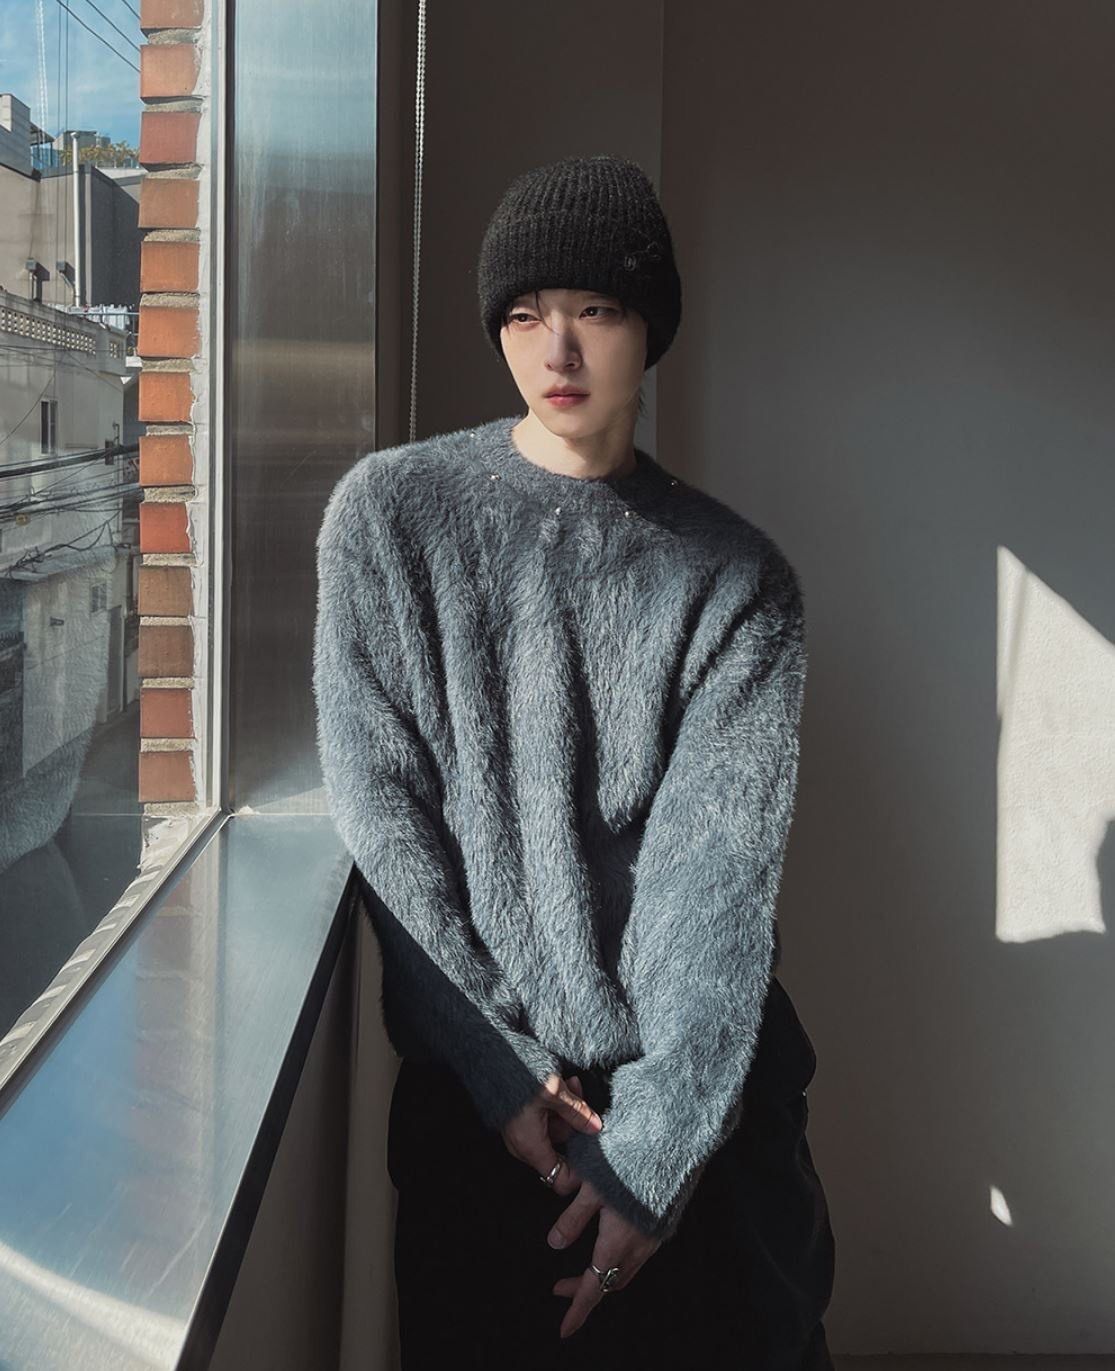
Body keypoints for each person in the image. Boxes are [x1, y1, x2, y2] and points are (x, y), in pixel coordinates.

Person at [313, 153, 836, 1368]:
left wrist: (655, 1150)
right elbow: (383, 820)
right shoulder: (389, 519)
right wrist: (499, 1068)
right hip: (483, 1110)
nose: (556, 350)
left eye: (594, 309)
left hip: (699, 1112)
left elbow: (714, 882)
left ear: (650, 328)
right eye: (522, 314)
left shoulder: (737, 579)